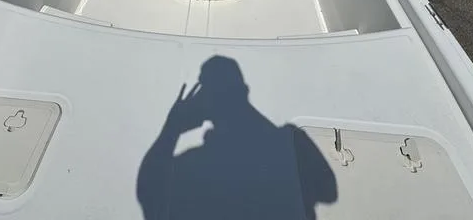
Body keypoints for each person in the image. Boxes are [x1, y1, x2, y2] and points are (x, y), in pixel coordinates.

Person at [137, 56, 337, 220]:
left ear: (206, 104)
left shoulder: (196, 164)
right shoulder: (290, 141)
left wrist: (172, 128)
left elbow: (150, 190)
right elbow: (328, 192)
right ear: (244, 91)